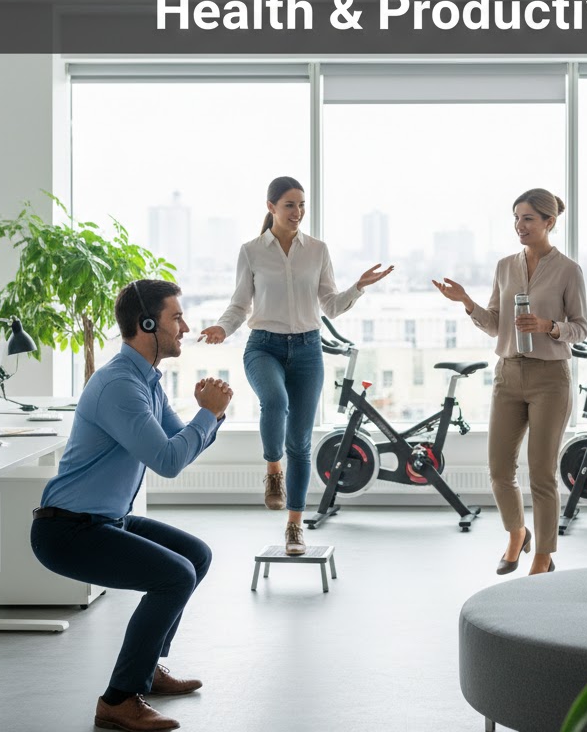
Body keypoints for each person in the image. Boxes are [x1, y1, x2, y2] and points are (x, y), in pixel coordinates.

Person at [30, 279, 233, 732]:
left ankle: (146, 669)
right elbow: (167, 461)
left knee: (196, 556)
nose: (185, 327)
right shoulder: (120, 386)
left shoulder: (144, 380)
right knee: (175, 575)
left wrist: (212, 415)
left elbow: (179, 446)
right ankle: (119, 699)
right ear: (146, 324)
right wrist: (207, 414)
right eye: (175, 318)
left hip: (106, 521)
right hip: (67, 532)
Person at [200, 176, 392, 556]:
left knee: (301, 445)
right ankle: (274, 471)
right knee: (274, 402)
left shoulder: (317, 250)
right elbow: (240, 304)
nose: (298, 212)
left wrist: (359, 286)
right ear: (271, 207)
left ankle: (295, 526)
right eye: (290, 205)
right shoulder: (252, 251)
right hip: (263, 347)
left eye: (302, 205)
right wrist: (223, 327)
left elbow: (332, 305)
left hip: (307, 350)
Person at [433, 189, 587, 576]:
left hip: (550, 378)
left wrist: (548, 326)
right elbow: (494, 324)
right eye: (516, 218)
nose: (520, 226)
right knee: (500, 469)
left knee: (542, 472)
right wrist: (467, 302)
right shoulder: (504, 266)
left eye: (529, 219)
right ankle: (518, 533)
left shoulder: (569, 270)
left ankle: (544, 555)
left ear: (549, 222)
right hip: (507, 374)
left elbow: (581, 329)